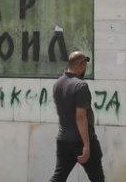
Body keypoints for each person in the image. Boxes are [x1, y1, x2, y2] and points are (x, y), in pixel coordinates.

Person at [49, 51, 105, 182]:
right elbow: (80, 117)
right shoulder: (81, 85)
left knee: (58, 178)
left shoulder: (58, 84)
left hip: (64, 140)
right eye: (85, 65)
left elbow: (61, 111)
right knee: (97, 178)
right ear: (81, 64)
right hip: (81, 141)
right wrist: (86, 145)